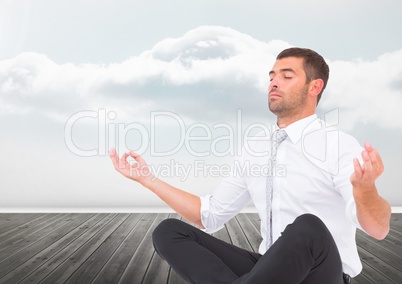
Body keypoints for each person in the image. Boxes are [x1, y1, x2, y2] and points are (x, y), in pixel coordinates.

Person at [109, 47, 391, 284]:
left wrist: (365, 191)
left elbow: (378, 229)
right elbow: (210, 216)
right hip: (267, 272)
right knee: (169, 232)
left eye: (286, 76)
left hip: (321, 274)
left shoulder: (338, 145)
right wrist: (148, 179)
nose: (273, 83)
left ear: (314, 87)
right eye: (271, 77)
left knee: (308, 227)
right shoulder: (255, 147)